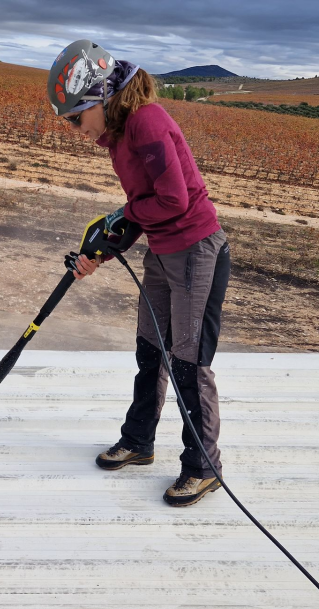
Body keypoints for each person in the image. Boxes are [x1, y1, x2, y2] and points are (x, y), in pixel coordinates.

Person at [48, 40, 231, 507]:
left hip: (196, 250)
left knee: (188, 361)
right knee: (151, 349)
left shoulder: (146, 122)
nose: (74, 129)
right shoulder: (120, 136)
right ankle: (139, 441)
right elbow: (144, 211)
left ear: (101, 97)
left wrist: (123, 215)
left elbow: (172, 200)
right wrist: (103, 250)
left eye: (75, 117)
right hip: (164, 250)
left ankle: (203, 466)